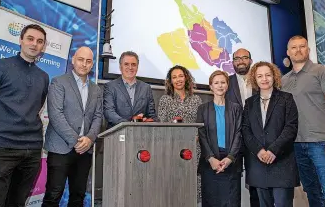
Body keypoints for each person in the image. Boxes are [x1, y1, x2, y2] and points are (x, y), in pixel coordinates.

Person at [0, 24, 49, 207]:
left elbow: (37, 106)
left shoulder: (43, 77)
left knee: (17, 203)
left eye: (39, 41)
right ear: (20, 40)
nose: (34, 44)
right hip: (1, 149)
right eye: (30, 39)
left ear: (43, 47)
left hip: (31, 150)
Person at [282, 35, 325, 206]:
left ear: (308, 50)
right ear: (288, 52)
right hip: (297, 144)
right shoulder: (284, 80)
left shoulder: (322, 71)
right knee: (311, 192)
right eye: (294, 47)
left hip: (322, 142)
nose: (298, 50)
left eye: (302, 46)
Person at [42, 46, 103, 206]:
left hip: (85, 150)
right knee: (53, 196)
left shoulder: (96, 89)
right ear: (73, 60)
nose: (84, 64)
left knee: (78, 196)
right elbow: (56, 115)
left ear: (92, 64)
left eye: (88, 61)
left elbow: (97, 117)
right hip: (61, 148)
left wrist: (89, 139)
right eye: (81, 60)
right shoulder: (58, 82)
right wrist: (77, 141)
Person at [242, 61, 299, 207]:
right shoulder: (249, 103)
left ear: (274, 76)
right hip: (258, 163)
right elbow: (246, 129)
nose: (264, 79)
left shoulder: (287, 98)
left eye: (268, 75)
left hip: (281, 162)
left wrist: (273, 150)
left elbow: (291, 128)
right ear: (255, 79)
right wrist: (259, 151)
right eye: (260, 76)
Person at [158, 65, 202, 204]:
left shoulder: (196, 99)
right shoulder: (165, 100)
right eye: (174, 77)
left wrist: (196, 138)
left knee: (193, 182)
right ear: (170, 81)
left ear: (186, 78)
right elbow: (162, 124)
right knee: (174, 181)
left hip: (194, 147)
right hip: (172, 148)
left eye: (181, 76)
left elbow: (201, 124)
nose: (178, 80)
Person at [198, 70, 243, 207]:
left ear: (227, 85)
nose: (220, 85)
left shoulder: (236, 108)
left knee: (231, 202)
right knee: (211, 201)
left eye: (223, 82)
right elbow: (202, 135)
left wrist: (230, 158)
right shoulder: (203, 109)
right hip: (210, 162)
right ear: (211, 86)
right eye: (216, 83)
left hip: (231, 162)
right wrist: (211, 158)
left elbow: (239, 134)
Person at [226, 48, 259, 207]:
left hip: (257, 138)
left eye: (244, 58)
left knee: (256, 181)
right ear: (232, 62)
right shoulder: (226, 82)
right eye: (237, 58)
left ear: (251, 61)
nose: (241, 61)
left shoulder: (260, 80)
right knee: (232, 180)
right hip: (234, 139)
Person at [103, 51, 157, 128]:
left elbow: (152, 115)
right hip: (117, 134)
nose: (130, 67)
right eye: (126, 64)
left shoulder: (146, 88)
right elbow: (109, 112)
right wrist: (129, 124)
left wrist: (149, 121)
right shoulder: (110, 87)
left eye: (133, 64)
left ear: (137, 67)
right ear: (120, 67)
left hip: (141, 134)